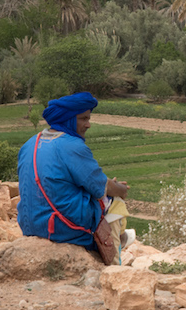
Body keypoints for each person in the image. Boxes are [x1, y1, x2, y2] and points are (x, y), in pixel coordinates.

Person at [17, 92, 130, 250]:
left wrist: (107, 184)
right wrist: (121, 190)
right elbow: (102, 188)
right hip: (61, 228)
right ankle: (113, 259)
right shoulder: (72, 146)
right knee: (116, 203)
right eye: (83, 119)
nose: (88, 125)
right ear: (68, 119)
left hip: (30, 226)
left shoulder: (30, 143)